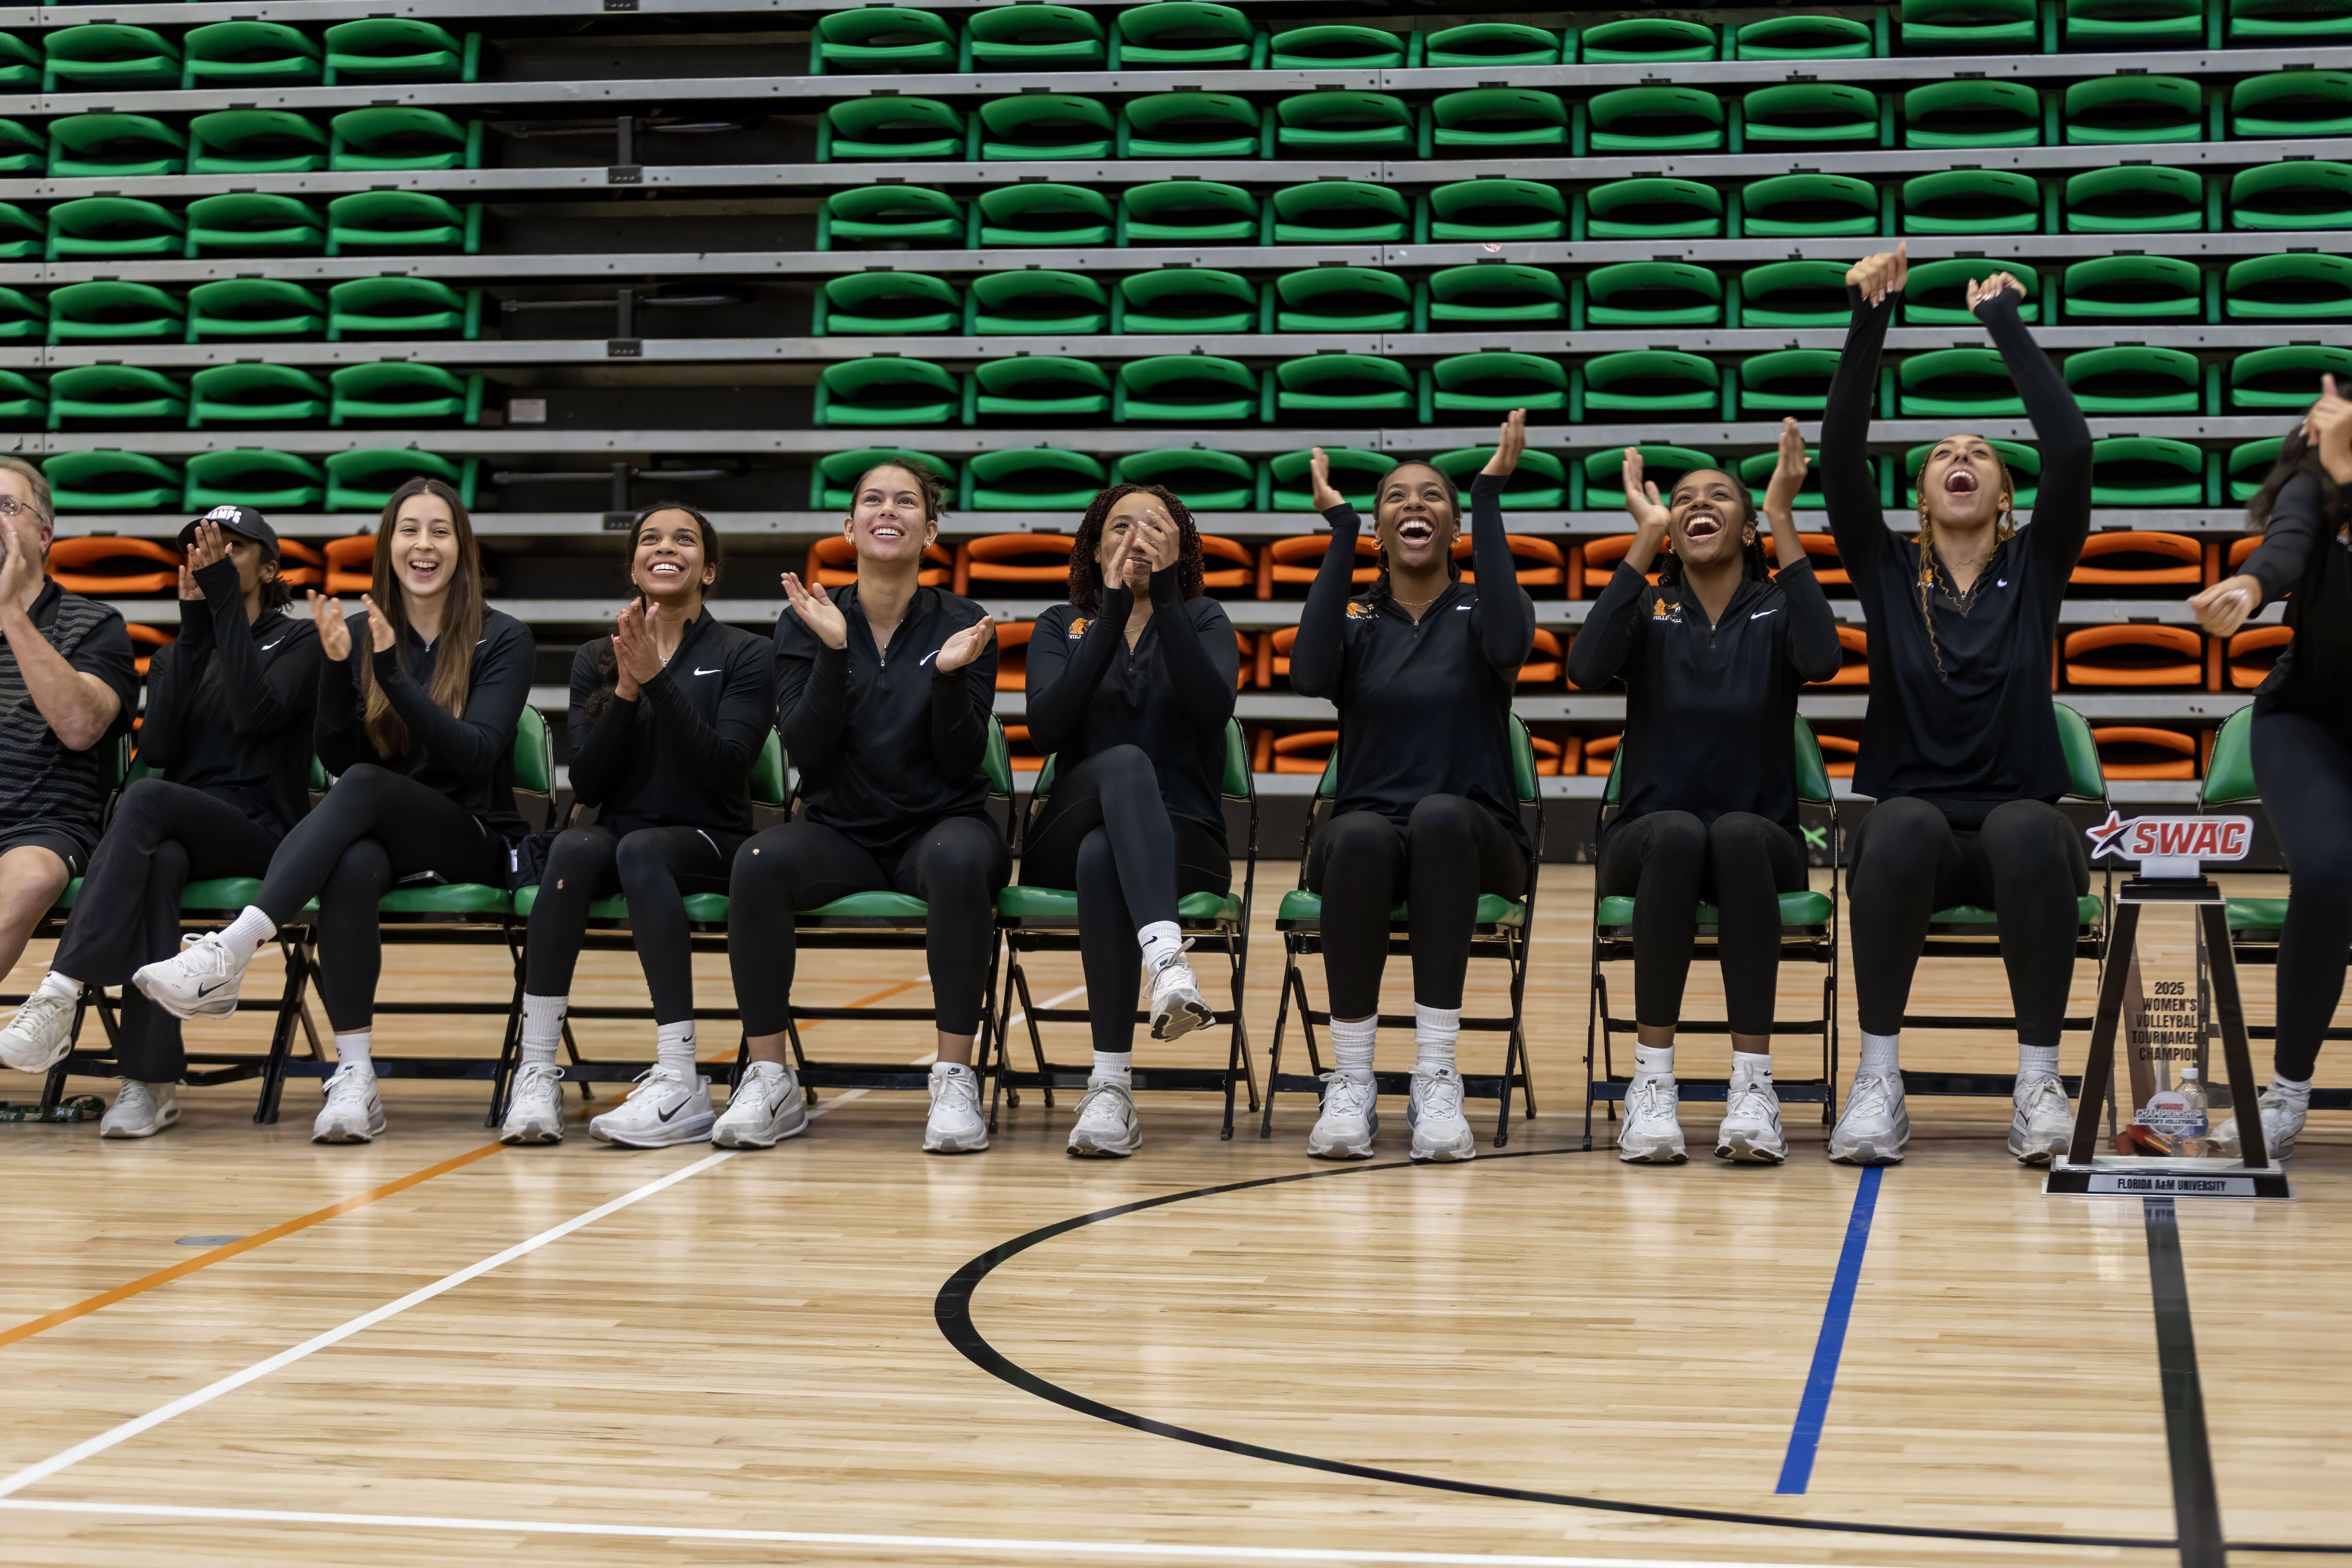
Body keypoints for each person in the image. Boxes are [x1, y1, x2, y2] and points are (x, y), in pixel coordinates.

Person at [130, 477, 535, 1145]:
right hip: (379, 828)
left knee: (372, 789)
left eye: (439, 531)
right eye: (409, 530)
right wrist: (339, 674)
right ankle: (354, 1078)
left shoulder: (504, 637)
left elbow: (476, 755)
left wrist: (390, 674)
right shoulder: (354, 630)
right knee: (350, 864)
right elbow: (340, 757)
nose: (423, 545)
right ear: (388, 547)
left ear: (461, 548)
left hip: (473, 832)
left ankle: (234, 947)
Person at [1822, 244, 2094, 1166]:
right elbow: (1838, 452)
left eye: (1979, 452)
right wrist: (1871, 318)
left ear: (2005, 496)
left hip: (2020, 829)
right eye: (1943, 454)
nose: (1961, 458)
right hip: (1921, 833)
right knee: (1893, 828)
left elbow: (2072, 447)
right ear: (1925, 496)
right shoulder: (1887, 567)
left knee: (2025, 829)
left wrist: (2003, 323)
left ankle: (2039, 1083)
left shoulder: (2037, 566)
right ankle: (1879, 1080)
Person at [1570, 420, 1842, 1164]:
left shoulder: (1779, 606)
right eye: (1683, 498)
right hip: (1648, 840)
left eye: (1719, 496)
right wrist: (1641, 540)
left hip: (1762, 841)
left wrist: (1786, 530)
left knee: (1732, 833)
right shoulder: (1650, 611)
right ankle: (1651, 1088)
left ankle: (1753, 1091)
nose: (1699, 504)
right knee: (1685, 831)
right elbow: (1585, 667)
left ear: (1748, 525)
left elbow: (1822, 659)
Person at [0, 508, 319, 1138]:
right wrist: (196, 629)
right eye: (204, 548)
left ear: (272, 567)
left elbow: (257, 714)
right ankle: (148, 1082)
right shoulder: (182, 653)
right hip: (180, 831)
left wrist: (223, 606)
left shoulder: (299, 641)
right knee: (159, 858)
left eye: (233, 548)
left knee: (143, 804)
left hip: (263, 833)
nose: (213, 556)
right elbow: (165, 748)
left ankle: (61, 991)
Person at [727, 461, 1006, 1153]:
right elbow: (807, 753)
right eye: (873, 500)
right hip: (840, 832)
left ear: (930, 531)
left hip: (939, 826)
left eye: (907, 501)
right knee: (757, 862)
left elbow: (961, 759)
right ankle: (768, 1079)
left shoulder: (966, 622)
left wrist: (946, 679)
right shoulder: (807, 620)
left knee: (962, 858)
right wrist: (832, 651)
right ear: (848, 528)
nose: (890, 510)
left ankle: (953, 1079)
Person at [1288, 412, 1537, 1162]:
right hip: (1370, 828)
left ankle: (1435, 1072)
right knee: (1360, 832)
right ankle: (1354, 1079)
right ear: (1379, 527)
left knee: (1438, 818)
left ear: (1454, 525)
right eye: (1396, 497)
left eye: (1433, 497)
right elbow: (1307, 675)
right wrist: (1338, 533)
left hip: (1475, 832)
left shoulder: (1484, 611)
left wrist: (1491, 493)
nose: (1414, 506)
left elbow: (1509, 644)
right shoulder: (1359, 620)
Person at [497, 505, 773, 1149]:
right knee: (570, 848)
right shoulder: (598, 655)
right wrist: (625, 690)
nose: (665, 548)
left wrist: (656, 681)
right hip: (621, 833)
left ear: (710, 569)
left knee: (644, 849)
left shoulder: (746, 653)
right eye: (650, 539)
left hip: (710, 836)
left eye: (684, 539)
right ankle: (536, 1067)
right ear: (633, 565)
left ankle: (680, 1075)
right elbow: (589, 785)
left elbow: (724, 769)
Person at [1019, 480, 1236, 1158]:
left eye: (1153, 527)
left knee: (1101, 860)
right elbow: (1047, 729)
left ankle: (1110, 1087)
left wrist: (1166, 598)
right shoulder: (1063, 624)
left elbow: (1211, 714)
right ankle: (1167, 960)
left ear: (1180, 547)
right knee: (1121, 766)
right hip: (1068, 823)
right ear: (1094, 545)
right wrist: (1111, 616)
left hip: (1184, 837)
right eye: (1119, 527)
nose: (1136, 537)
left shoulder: (1204, 620)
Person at [2189, 376, 2352, 1162]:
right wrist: (2250, 585)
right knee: (2326, 869)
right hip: (2308, 719)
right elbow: (2284, 547)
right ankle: (2287, 1091)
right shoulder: (2308, 494)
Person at [0, 459, 138, 1069]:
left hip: (46, 824)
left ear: (44, 534)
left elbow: (82, 728)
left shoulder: (95, 625)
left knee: (27, 878)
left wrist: (11, 615)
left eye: (7, 508)